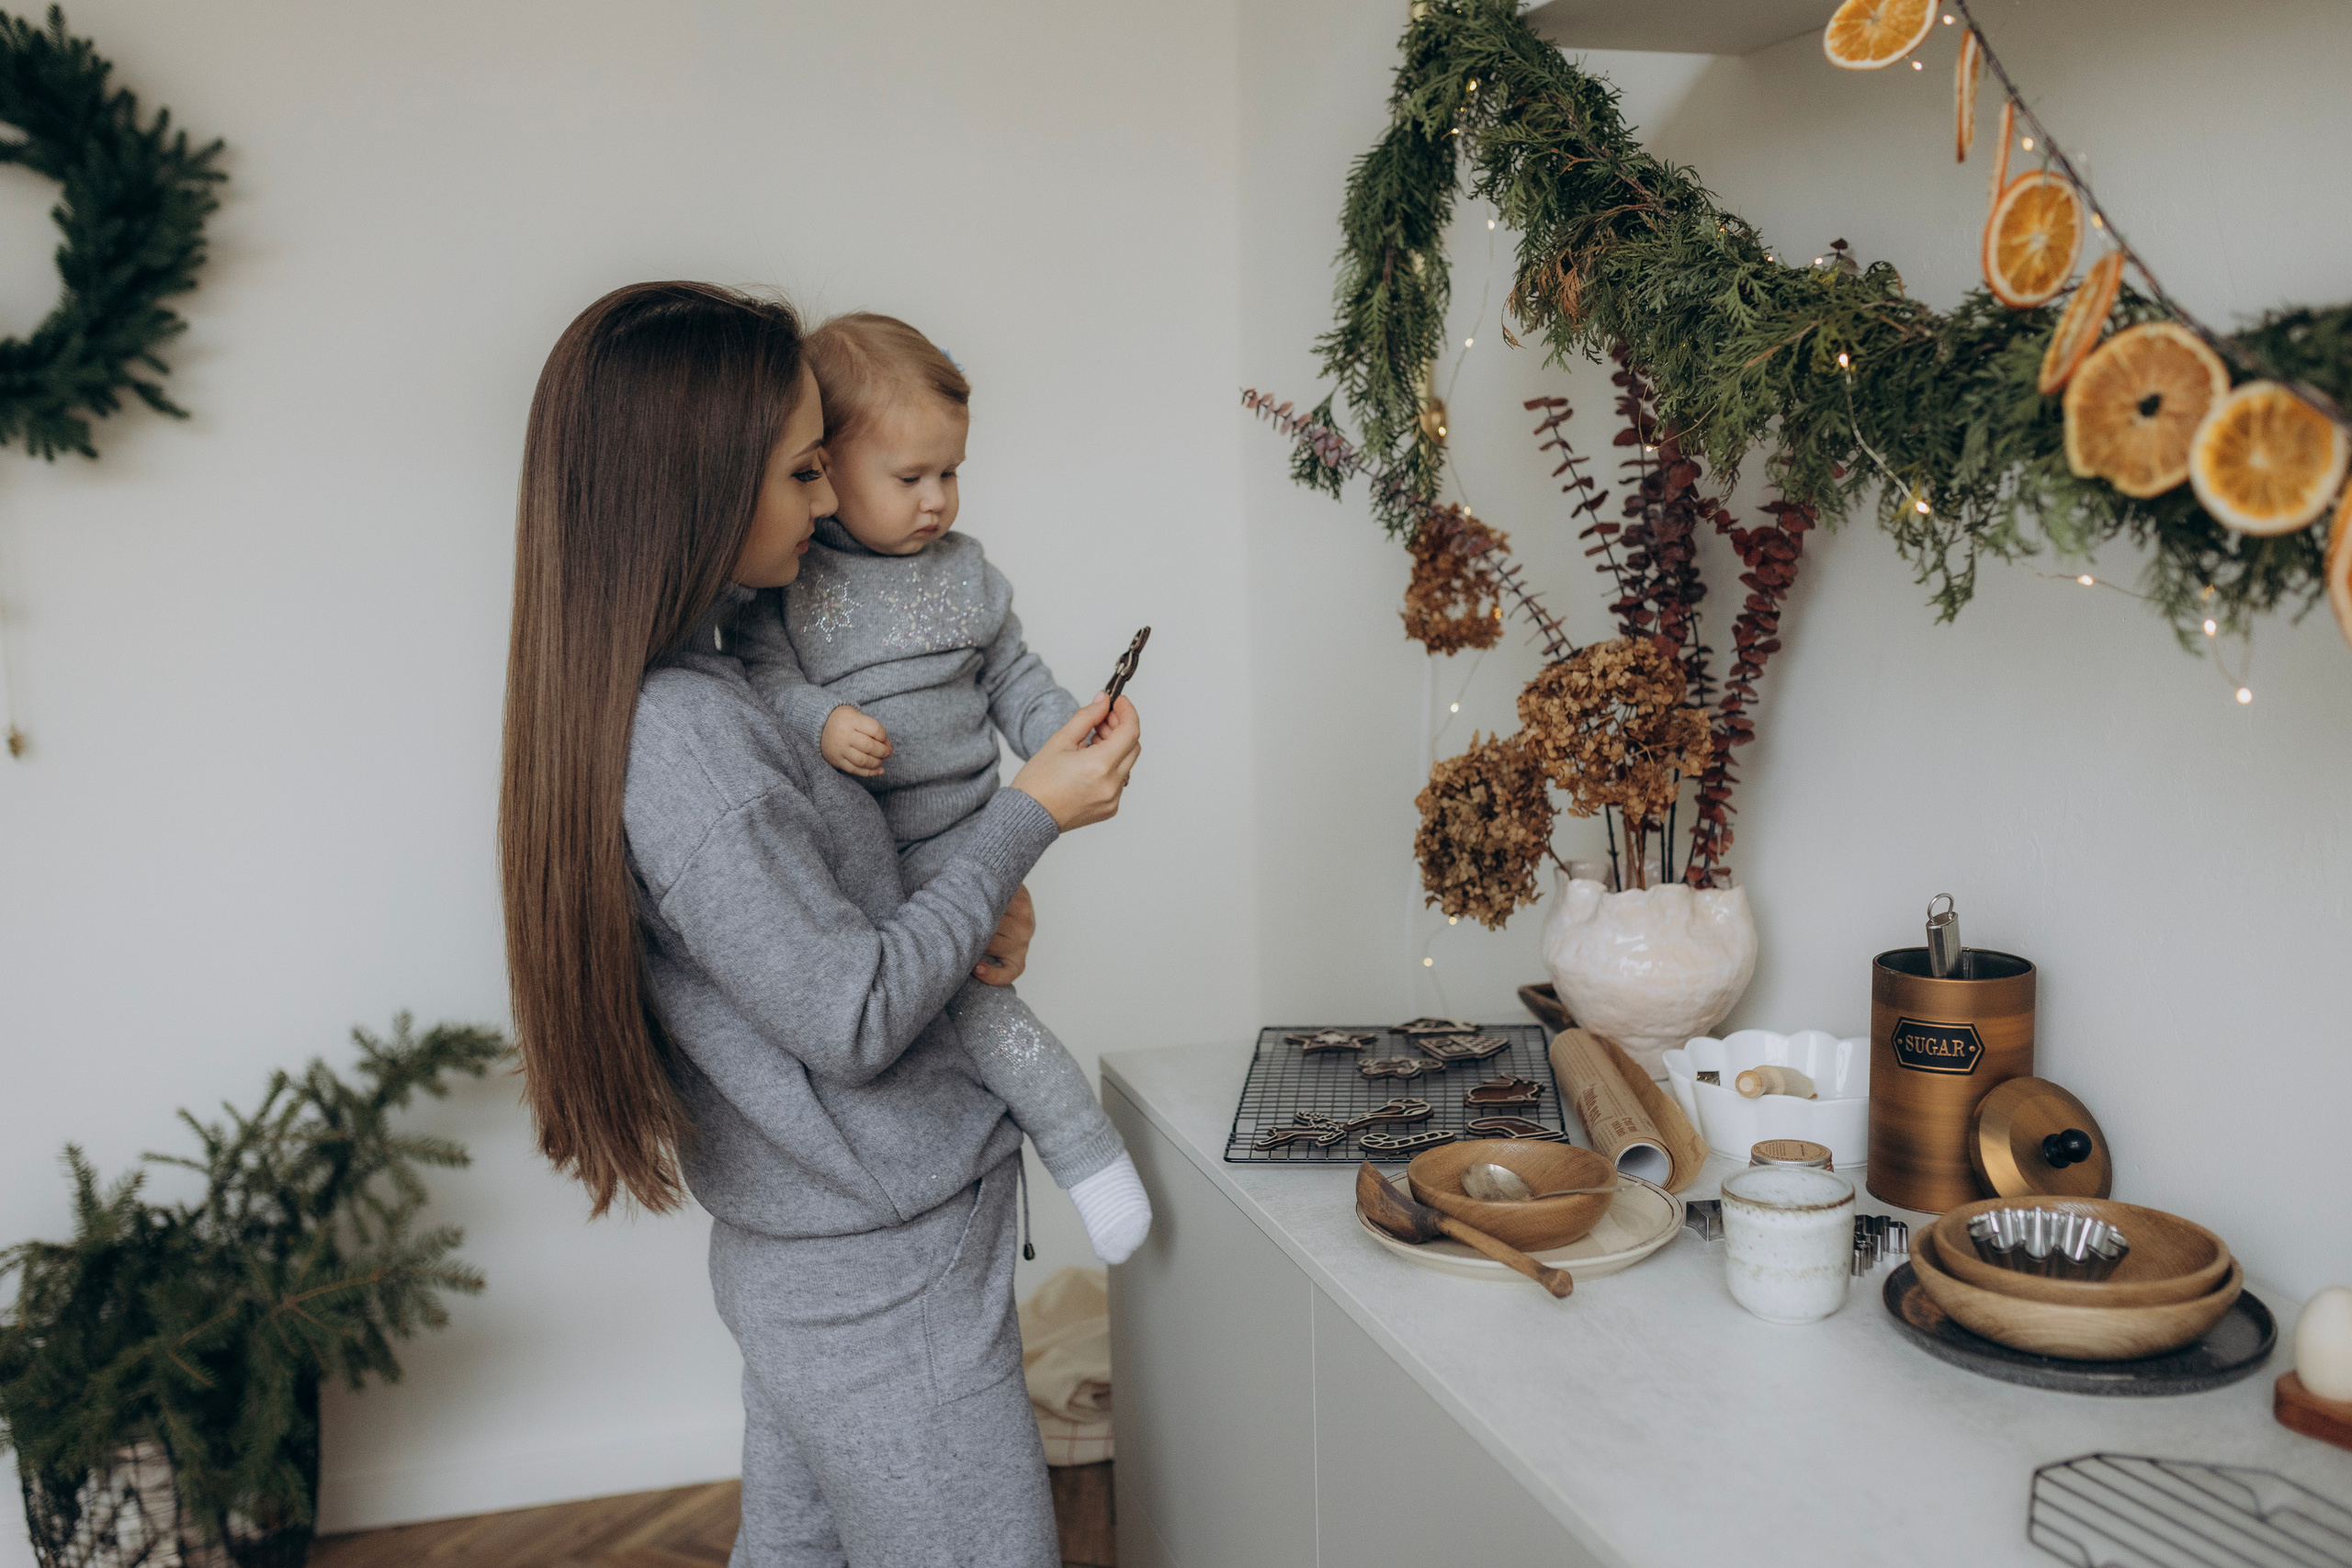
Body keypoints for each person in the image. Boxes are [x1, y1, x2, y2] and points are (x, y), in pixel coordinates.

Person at [498, 281, 1140, 1567]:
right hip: (880, 1276)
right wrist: (1026, 818)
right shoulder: (695, 744)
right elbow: (851, 1012)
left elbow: (836, 935)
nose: (825, 501)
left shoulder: (713, 686)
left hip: (839, 1251)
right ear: (697, 490)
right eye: (802, 471)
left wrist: (976, 909)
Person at [734, 310, 1149, 1265]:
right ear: (828, 467)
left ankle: (1070, 1167)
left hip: (982, 834)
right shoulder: (785, 584)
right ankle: (1090, 1158)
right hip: (888, 866)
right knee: (989, 1023)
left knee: (979, 1011)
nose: (936, 501)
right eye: (909, 477)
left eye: (950, 474)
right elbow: (760, 679)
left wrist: (1068, 732)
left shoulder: (967, 574)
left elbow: (1014, 678)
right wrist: (820, 720)